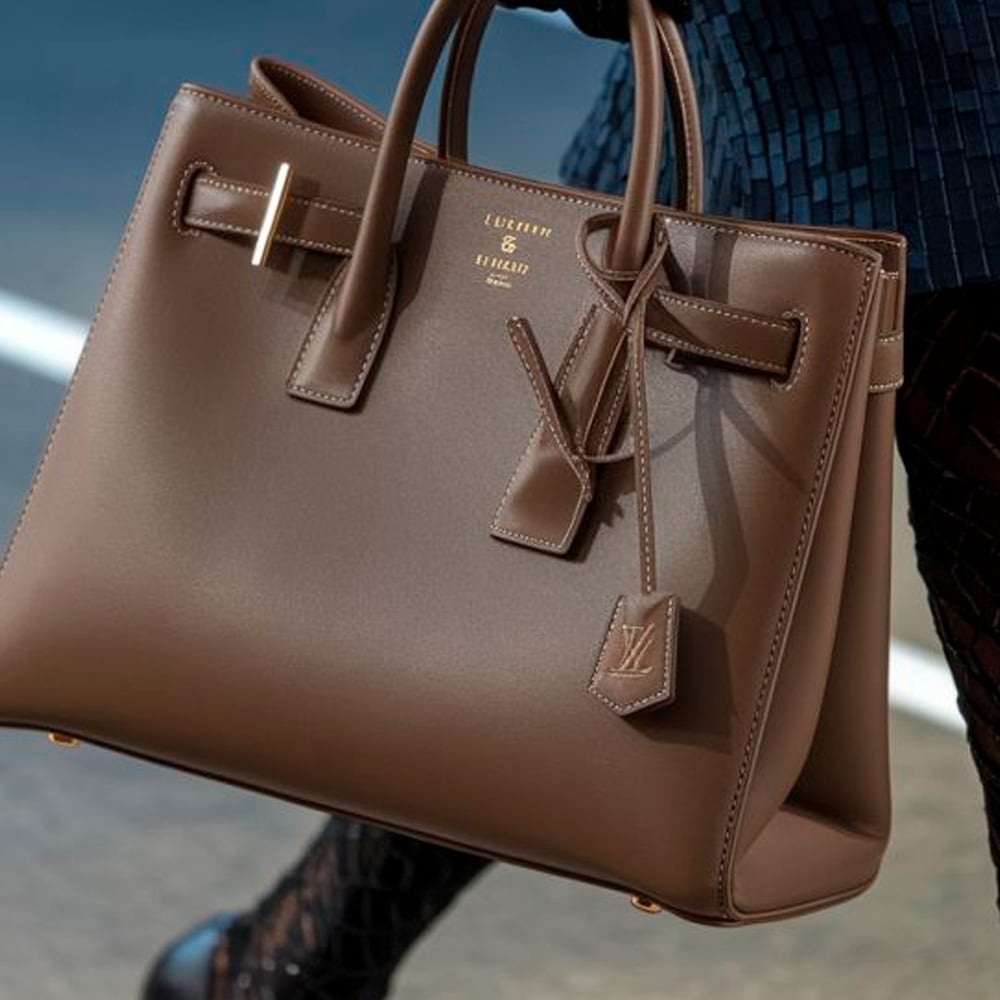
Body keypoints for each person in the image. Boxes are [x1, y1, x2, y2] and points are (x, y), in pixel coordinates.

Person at [144, 1, 1000, 996]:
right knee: (561, 589)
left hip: (808, 115)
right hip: (856, 120)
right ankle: (307, 956)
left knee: (556, 589)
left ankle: (301, 963)